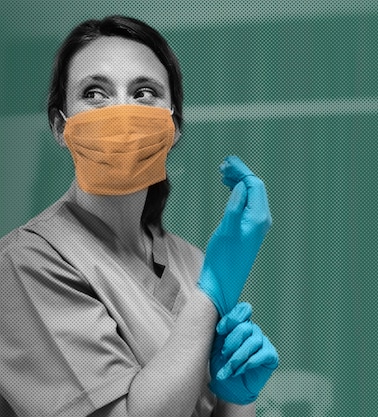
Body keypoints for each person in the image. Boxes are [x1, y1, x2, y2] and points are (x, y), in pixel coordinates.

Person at [0, 15, 278, 417]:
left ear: (173, 126)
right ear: (61, 127)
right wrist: (213, 289)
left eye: (144, 92)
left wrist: (234, 396)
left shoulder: (192, 263)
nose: (122, 113)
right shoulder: (23, 265)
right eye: (95, 93)